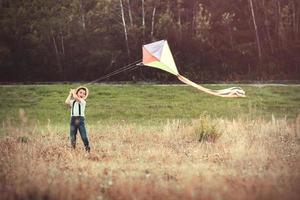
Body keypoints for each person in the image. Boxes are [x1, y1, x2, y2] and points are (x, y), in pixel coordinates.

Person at [65, 86, 90, 152]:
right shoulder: (73, 102)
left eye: (84, 93)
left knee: (84, 136)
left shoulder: (83, 101)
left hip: (80, 120)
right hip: (73, 120)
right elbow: (66, 102)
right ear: (77, 93)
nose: (82, 94)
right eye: (80, 92)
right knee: (72, 136)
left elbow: (76, 98)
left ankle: (87, 148)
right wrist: (70, 94)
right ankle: (73, 150)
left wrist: (73, 93)